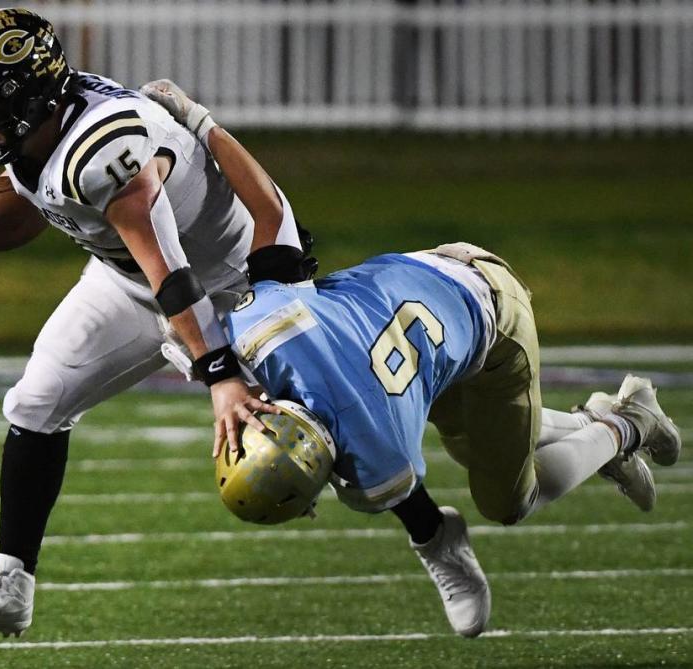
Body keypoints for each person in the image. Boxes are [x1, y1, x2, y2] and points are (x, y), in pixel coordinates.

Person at [139, 80, 683, 638]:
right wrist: (200, 120)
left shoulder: (377, 460)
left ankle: (624, 424)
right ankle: (594, 421)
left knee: (509, 499)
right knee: (482, 436)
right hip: (435, 280)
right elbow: (270, 209)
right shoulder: (270, 330)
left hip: (492, 324)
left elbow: (394, 486)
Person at [0, 8, 308, 636]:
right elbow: (48, 198)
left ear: (27, 95)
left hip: (231, 292)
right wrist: (1, 223)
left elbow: (172, 272)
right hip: (130, 282)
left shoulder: (103, 148)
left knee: (324, 440)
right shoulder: (48, 127)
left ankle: (434, 526)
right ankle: (9, 584)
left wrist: (218, 373)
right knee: (35, 404)